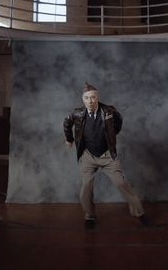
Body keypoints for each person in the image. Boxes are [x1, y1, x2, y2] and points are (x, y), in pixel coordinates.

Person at [63, 82, 151, 228]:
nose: (90, 101)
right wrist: (69, 139)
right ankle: (89, 216)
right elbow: (67, 122)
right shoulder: (77, 113)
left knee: (121, 183)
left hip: (107, 155)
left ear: (97, 98)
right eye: (87, 98)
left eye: (92, 97)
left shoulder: (108, 111)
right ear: (82, 99)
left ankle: (140, 214)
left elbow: (119, 121)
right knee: (86, 186)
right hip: (88, 155)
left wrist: (112, 134)